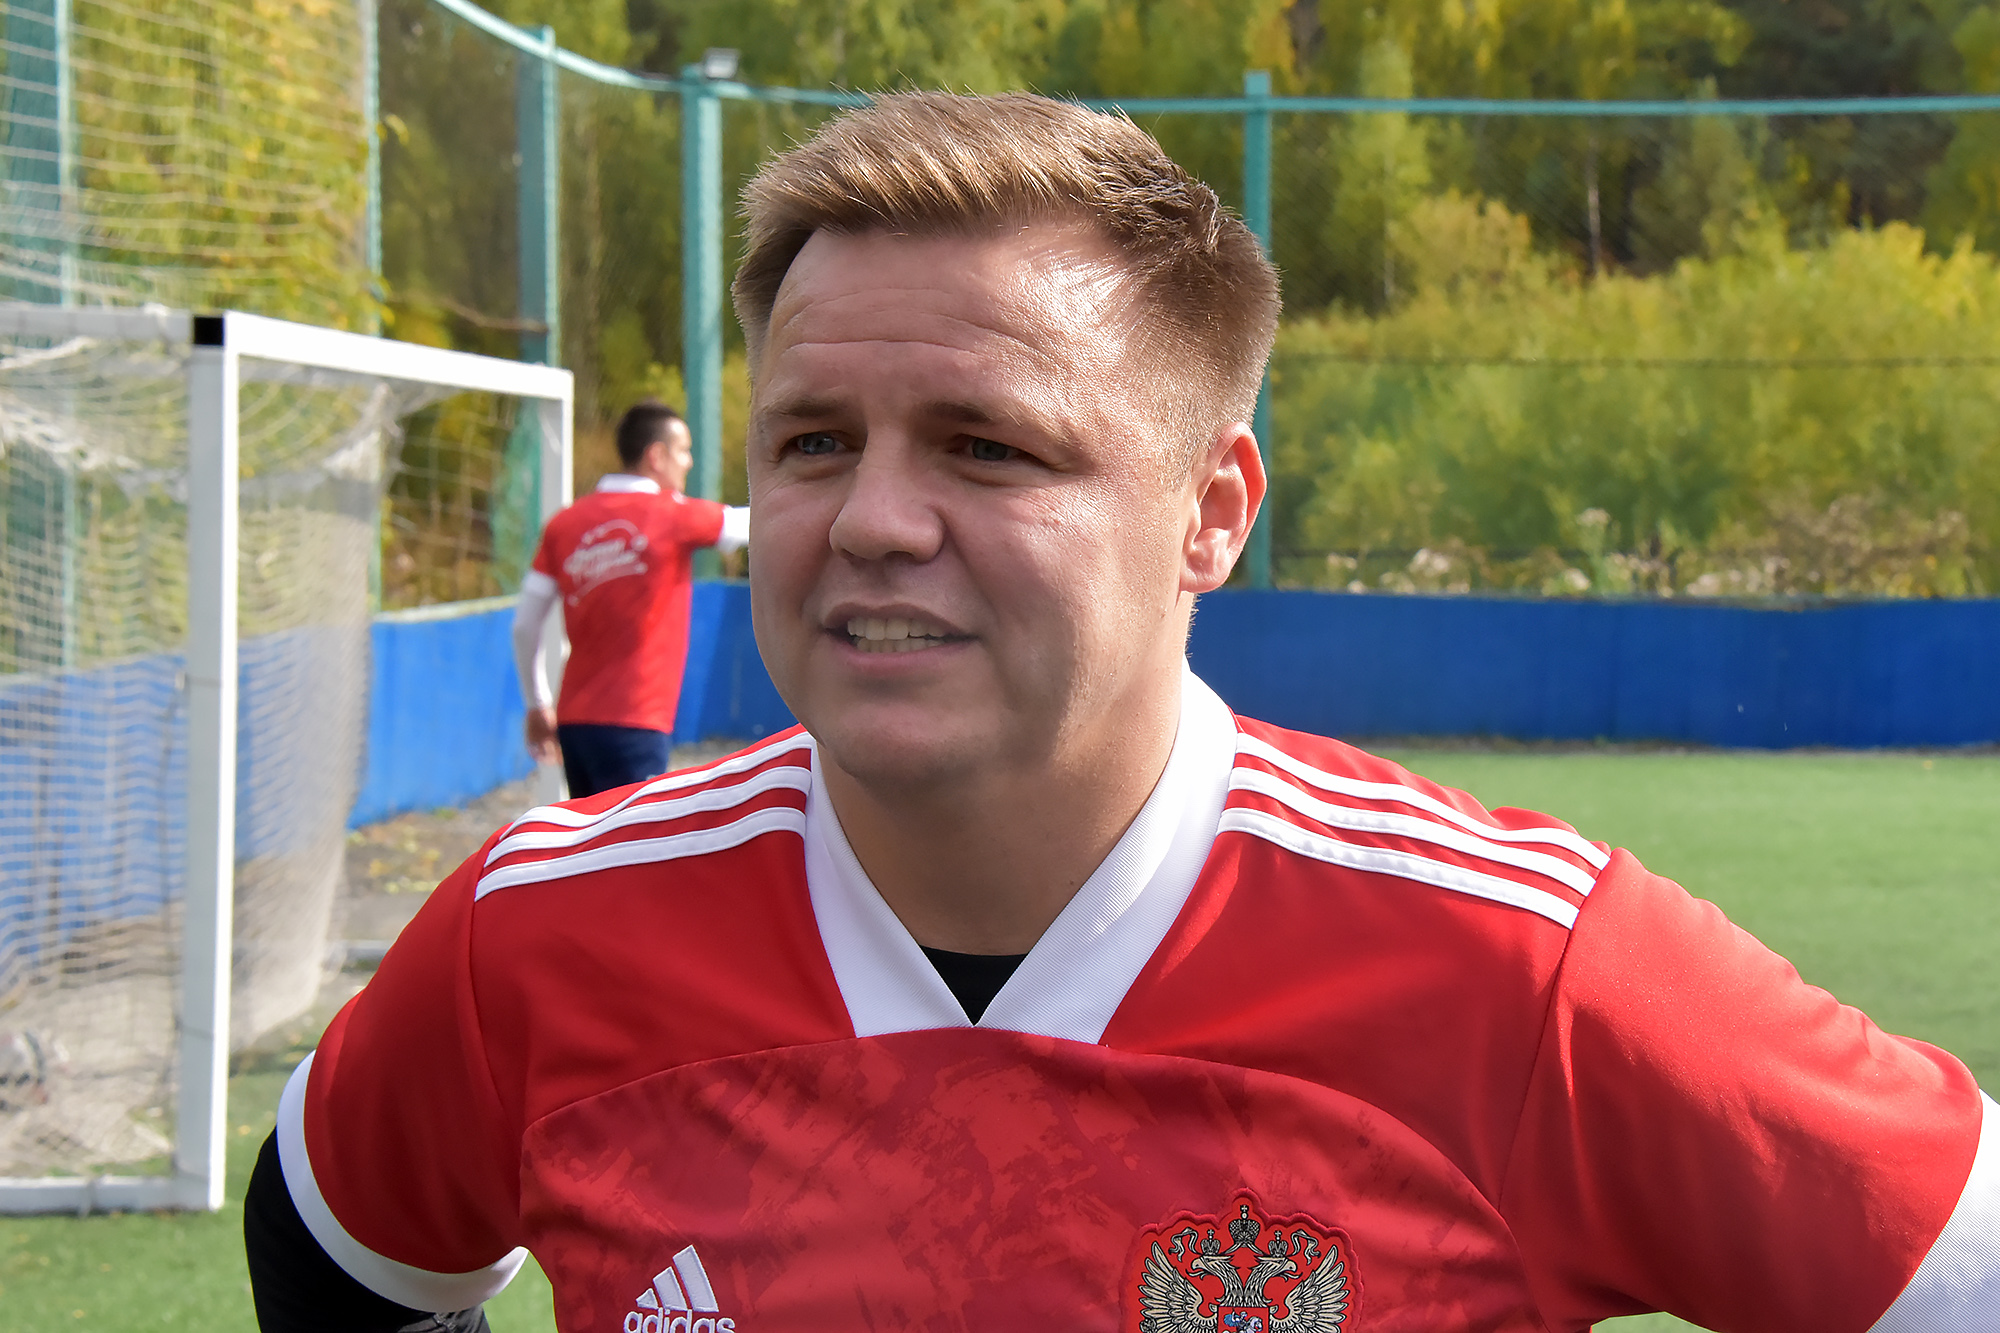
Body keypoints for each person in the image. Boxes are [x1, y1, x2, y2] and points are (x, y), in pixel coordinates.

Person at [246, 93, 1997, 1332]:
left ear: (1210, 513)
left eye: (990, 446)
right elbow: (337, 1252)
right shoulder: (540, 931)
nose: (872, 518)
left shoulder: (1525, 971)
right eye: (814, 441)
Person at [511, 401, 749, 798]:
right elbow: (749, 523)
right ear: (656, 456)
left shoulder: (565, 522)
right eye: (683, 450)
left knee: (590, 834)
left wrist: (537, 704)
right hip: (638, 717)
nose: (688, 462)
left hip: (574, 720)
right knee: (636, 836)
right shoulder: (672, 515)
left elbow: (524, 626)